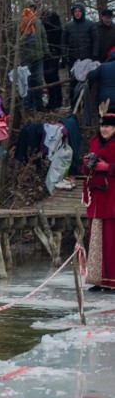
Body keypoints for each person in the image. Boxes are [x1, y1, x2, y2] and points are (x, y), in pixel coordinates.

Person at [82, 106, 115, 292]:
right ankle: (97, 279)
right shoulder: (95, 142)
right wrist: (87, 164)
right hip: (97, 200)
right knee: (96, 240)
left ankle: (112, 280)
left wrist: (108, 168)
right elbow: (86, 168)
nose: (104, 130)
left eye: (108, 127)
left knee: (112, 242)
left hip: (112, 200)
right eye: (103, 127)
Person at [61, 2, 99, 104]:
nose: (77, 13)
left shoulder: (90, 24)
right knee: (73, 83)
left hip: (87, 59)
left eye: (79, 11)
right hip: (73, 60)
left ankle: (88, 105)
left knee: (88, 82)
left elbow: (96, 40)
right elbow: (63, 42)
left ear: (83, 12)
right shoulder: (68, 26)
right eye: (75, 11)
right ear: (73, 13)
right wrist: (64, 57)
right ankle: (74, 106)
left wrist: (94, 55)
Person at [18, 5, 48, 110]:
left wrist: (46, 51)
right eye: (30, 8)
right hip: (26, 57)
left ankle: (39, 105)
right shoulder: (21, 22)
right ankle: (28, 105)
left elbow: (43, 37)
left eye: (34, 9)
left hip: (38, 56)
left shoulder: (38, 22)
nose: (32, 10)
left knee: (39, 80)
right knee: (27, 81)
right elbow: (18, 40)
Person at [40, 3, 64, 110]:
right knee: (47, 77)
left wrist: (57, 51)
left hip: (54, 51)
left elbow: (57, 33)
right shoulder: (40, 19)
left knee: (53, 75)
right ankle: (52, 100)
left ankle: (57, 101)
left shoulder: (54, 17)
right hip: (45, 52)